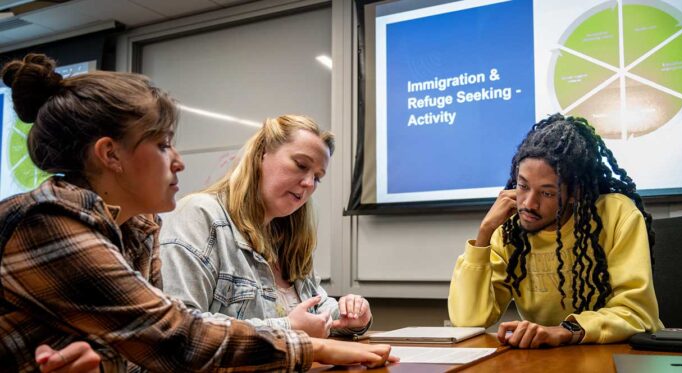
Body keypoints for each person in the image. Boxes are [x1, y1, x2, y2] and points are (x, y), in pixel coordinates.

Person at [0, 53, 396, 372]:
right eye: (163, 145)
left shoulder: (138, 228)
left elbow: (136, 352)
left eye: (318, 177)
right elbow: (174, 338)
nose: (178, 163)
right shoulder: (50, 220)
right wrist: (309, 348)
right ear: (110, 154)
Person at [448, 114, 662, 348]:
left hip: (621, 354)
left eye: (547, 193)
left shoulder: (617, 215)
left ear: (575, 194)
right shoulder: (509, 230)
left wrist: (565, 330)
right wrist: (484, 235)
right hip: (548, 359)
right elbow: (467, 321)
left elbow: (637, 313)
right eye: (523, 186)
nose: (528, 203)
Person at [159, 115, 372, 339]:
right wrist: (287, 328)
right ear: (262, 154)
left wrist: (352, 315)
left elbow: (314, 308)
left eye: (317, 177)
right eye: (301, 165)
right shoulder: (199, 215)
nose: (309, 183)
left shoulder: (285, 236)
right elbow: (179, 330)